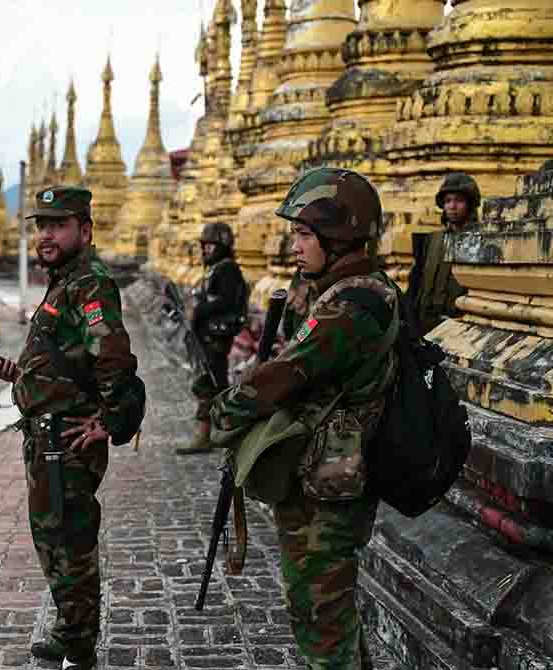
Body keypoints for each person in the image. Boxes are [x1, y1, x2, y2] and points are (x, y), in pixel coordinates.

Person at [213, 167, 399, 669]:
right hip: (316, 475)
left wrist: (224, 409)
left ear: (337, 235)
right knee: (325, 611)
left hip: (332, 487)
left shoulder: (357, 302)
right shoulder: (335, 289)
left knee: (320, 614)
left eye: (303, 233)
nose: (293, 246)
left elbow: (288, 371)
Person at [0, 185, 143, 670]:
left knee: (70, 542)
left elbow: (112, 358)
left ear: (85, 230)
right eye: (41, 227)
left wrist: (110, 423)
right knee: (53, 540)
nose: (46, 235)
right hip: (45, 433)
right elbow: (70, 356)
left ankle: (79, 645)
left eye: (58, 226)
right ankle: (70, 630)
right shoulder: (65, 281)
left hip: (68, 439)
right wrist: (22, 373)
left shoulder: (89, 283)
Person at [176, 222, 247, 455]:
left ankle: (206, 435)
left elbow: (225, 301)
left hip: (215, 337)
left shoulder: (227, 269)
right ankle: (224, 432)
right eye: (204, 246)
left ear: (222, 245)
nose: (206, 250)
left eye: (211, 246)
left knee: (208, 385)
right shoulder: (215, 268)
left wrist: (198, 309)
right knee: (213, 385)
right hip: (205, 337)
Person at [407, 172, 481, 337]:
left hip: (458, 328)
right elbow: (415, 281)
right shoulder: (431, 240)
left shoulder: (479, 241)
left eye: (459, 201)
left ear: (470, 204)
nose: (452, 206)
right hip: (423, 325)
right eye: (448, 201)